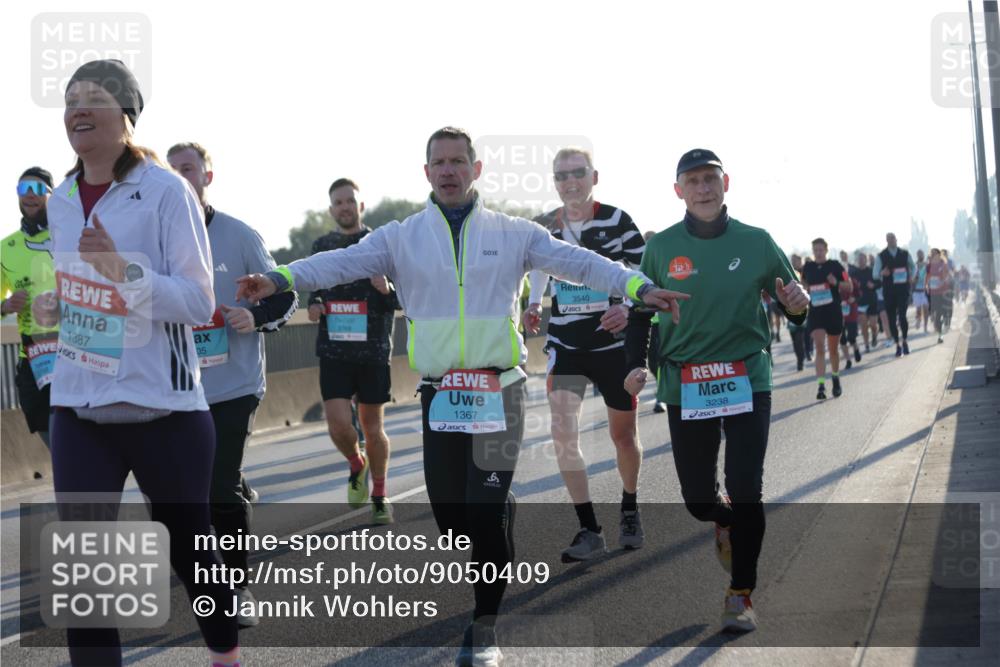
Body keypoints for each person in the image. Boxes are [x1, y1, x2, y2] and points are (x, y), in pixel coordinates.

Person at [235, 127, 688, 665]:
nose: (448, 170)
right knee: (453, 520)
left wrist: (636, 287)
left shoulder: (513, 232)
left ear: (475, 170)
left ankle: (485, 625)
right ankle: (497, 515)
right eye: (439, 163)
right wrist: (280, 277)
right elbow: (338, 265)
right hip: (441, 394)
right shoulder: (401, 236)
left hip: (500, 391)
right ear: (426, 172)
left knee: (485, 507)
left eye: (458, 161)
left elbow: (581, 263)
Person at [33, 59, 238, 667]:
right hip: (79, 405)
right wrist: (58, 303)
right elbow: (89, 290)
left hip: (164, 410)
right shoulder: (62, 200)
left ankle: (224, 651)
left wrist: (123, 270)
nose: (76, 109)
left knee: (191, 556)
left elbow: (199, 302)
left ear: (126, 115)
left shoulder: (166, 190)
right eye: (69, 99)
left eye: (91, 98)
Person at [624, 148, 809, 633]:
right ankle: (721, 518)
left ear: (726, 183)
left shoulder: (756, 240)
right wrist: (636, 364)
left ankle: (740, 594)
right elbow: (642, 310)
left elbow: (795, 303)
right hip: (687, 384)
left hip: (748, 376)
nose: (703, 188)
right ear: (678, 190)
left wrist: (797, 305)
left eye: (711, 179)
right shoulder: (661, 247)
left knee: (747, 487)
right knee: (697, 498)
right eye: (693, 180)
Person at [167, 141, 297, 627]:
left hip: (235, 383)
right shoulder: (160, 237)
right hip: (179, 387)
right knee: (192, 488)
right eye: (172, 170)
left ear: (207, 176)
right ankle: (237, 482)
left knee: (217, 486)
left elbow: (286, 297)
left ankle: (236, 589)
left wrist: (254, 314)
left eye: (189, 169)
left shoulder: (240, 235)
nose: (181, 177)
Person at [522, 147, 647, 561]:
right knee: (562, 432)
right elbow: (539, 264)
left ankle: (629, 506)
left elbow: (644, 272)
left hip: (613, 346)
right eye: (561, 175)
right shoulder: (547, 227)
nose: (570, 181)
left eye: (578, 173)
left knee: (622, 436)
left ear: (594, 176)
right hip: (567, 345)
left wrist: (627, 308)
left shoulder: (618, 220)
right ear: (554, 182)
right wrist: (535, 302)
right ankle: (589, 528)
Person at [306, 178, 398, 523]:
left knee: (372, 427)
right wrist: (314, 303)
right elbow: (312, 286)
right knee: (338, 425)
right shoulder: (323, 246)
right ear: (332, 210)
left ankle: (379, 495)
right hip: (333, 351)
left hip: (373, 352)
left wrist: (387, 289)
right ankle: (356, 463)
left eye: (349, 201)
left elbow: (401, 299)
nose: (344, 207)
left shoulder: (380, 245)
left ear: (360, 206)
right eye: (338, 202)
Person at [2, 167, 58, 449]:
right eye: (24, 189)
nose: (30, 196)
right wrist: (6, 305)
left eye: (37, 189)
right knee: (56, 446)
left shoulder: (73, 236)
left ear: (52, 194)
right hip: (36, 358)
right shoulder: (6, 247)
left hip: (81, 352)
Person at [802, 238, 851, 399]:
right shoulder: (807, 267)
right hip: (816, 313)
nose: (818, 252)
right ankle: (821, 385)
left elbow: (848, 286)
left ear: (826, 250)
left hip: (833, 312)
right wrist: (806, 289)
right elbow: (802, 286)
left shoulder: (835, 266)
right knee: (819, 347)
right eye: (815, 250)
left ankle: (835, 377)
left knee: (833, 350)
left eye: (821, 249)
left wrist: (835, 282)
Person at [874, 233, 915, 357]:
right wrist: (882, 272)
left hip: (903, 289)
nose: (891, 241)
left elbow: (913, 267)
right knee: (891, 319)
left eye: (893, 238)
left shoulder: (904, 254)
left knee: (902, 316)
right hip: (889, 291)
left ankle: (905, 341)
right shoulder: (881, 256)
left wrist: (911, 277)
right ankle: (897, 344)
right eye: (888, 239)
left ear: (896, 239)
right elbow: (875, 274)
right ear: (886, 241)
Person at [787, 253, 809, 371]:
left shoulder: (804, 272)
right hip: (789, 309)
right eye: (792, 260)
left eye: (796, 260)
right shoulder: (785, 271)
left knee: (800, 337)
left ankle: (801, 361)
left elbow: (807, 287)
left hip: (801, 308)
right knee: (794, 339)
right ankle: (800, 356)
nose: (794, 262)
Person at [925, 248, 952, 344]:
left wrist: (943, 280)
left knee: (942, 312)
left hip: (943, 292)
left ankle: (945, 324)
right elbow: (927, 277)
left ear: (939, 254)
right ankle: (940, 335)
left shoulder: (943, 264)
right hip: (933, 293)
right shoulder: (929, 266)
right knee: (936, 317)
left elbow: (947, 276)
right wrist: (926, 285)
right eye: (932, 254)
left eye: (935, 253)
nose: (933, 255)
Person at [838, 272, 862, 369]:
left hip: (851, 313)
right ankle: (848, 360)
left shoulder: (852, 281)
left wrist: (854, 299)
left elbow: (859, 294)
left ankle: (856, 349)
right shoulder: (833, 283)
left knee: (851, 337)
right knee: (842, 339)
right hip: (838, 314)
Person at [855, 252, 877, 353]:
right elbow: (851, 286)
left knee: (873, 325)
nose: (861, 261)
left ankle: (874, 335)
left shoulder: (872, 271)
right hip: (860, 302)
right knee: (863, 325)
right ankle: (867, 345)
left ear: (866, 260)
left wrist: (873, 285)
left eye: (863, 259)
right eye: (859, 259)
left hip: (872, 300)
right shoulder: (854, 273)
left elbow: (879, 282)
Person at [912, 249, 929, 333]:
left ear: (923, 255)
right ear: (917, 256)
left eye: (921, 254)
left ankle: (925, 327)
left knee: (926, 309)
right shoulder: (915, 266)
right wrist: (916, 278)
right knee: (918, 310)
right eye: (919, 254)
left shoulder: (927, 265)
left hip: (924, 291)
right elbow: (912, 280)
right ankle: (918, 319)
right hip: (916, 291)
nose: (920, 256)